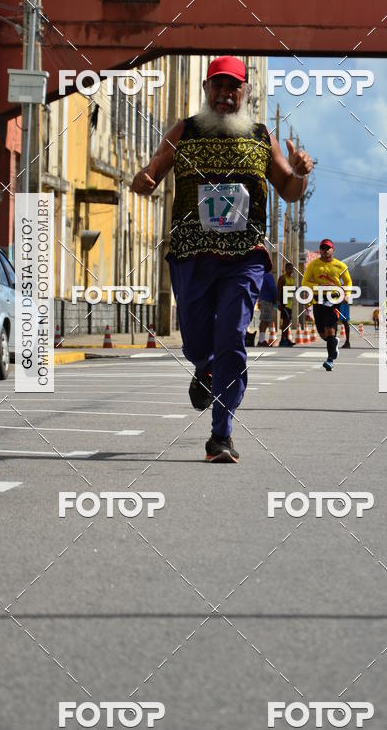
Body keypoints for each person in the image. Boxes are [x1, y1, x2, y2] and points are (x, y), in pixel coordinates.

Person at [131, 55, 313, 463]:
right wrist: (141, 179)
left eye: (234, 87)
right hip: (191, 255)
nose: (226, 94)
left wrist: (301, 172)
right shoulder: (186, 130)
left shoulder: (260, 136)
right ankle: (204, 366)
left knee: (232, 337)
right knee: (198, 343)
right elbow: (152, 172)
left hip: (244, 257)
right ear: (206, 90)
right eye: (219, 86)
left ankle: (221, 435)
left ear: (246, 93)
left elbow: (288, 189)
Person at [302, 239, 352, 371]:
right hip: (318, 299)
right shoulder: (314, 265)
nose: (325, 250)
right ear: (320, 250)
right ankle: (333, 342)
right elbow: (305, 282)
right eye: (323, 248)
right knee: (323, 334)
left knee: (330, 330)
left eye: (328, 248)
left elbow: (348, 281)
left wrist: (346, 294)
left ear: (333, 250)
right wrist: (319, 286)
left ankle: (330, 360)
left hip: (334, 299)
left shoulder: (340, 266)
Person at [277, 261, 296, 347]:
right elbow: (279, 290)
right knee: (285, 322)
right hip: (284, 303)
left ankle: (287, 339)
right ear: (285, 269)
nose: (290, 270)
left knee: (288, 322)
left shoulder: (292, 278)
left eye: (291, 269)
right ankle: (282, 340)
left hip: (290, 303)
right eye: (288, 269)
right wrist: (278, 302)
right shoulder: (282, 278)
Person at [257, 270, 277, 346]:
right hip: (267, 301)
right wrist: (275, 299)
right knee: (264, 320)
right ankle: (261, 341)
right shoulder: (268, 276)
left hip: (262, 299)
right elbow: (272, 288)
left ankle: (262, 340)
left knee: (264, 320)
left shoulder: (261, 275)